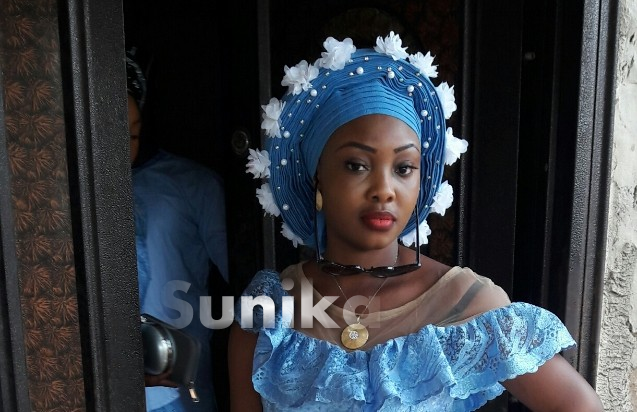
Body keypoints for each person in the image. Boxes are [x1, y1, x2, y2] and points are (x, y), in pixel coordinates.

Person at [227, 33, 603, 411]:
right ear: (316, 177)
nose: (384, 190)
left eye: (404, 168)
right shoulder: (266, 314)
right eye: (356, 165)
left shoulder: (465, 304)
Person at [126, 51, 229, 412]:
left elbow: (247, 279)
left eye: (133, 134)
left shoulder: (192, 184)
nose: (124, 148)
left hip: (178, 390)